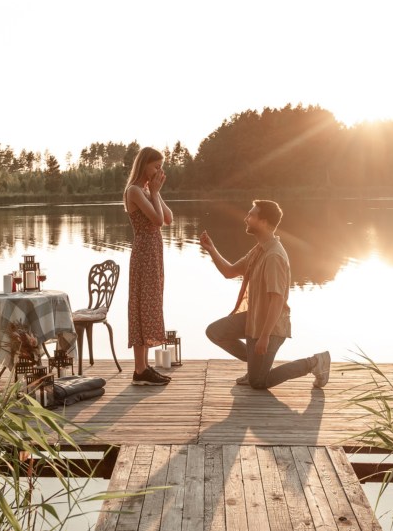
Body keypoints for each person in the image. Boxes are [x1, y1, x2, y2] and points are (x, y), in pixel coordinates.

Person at [199, 200, 331, 390]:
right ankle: (255, 365)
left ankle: (315, 362)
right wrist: (211, 249)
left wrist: (264, 337)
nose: (246, 218)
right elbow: (229, 272)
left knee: (258, 382)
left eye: (251, 215)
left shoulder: (273, 256)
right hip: (254, 319)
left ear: (263, 222)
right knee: (215, 332)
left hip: (271, 326)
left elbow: (277, 301)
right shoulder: (259, 250)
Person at [124, 146, 174, 386]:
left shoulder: (146, 190)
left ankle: (142, 369)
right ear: (144, 164)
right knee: (142, 306)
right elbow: (156, 220)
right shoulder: (134, 190)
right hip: (144, 254)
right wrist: (153, 192)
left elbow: (169, 217)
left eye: (160, 166)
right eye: (155, 166)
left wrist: (156, 191)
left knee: (151, 304)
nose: (159, 170)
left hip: (154, 254)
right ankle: (140, 369)